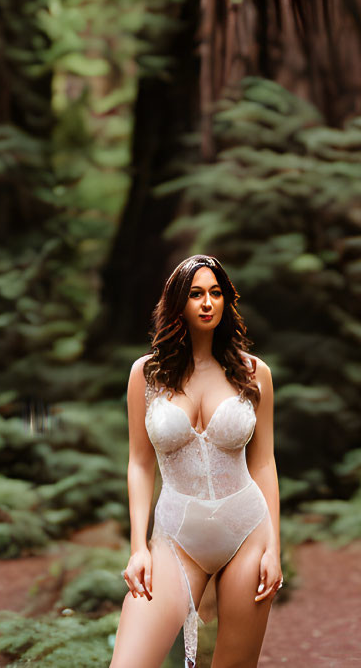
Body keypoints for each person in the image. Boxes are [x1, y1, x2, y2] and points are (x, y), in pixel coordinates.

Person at [110, 254, 283, 668]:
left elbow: (264, 464)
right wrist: (138, 548)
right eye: (196, 294)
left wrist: (274, 547)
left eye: (215, 293)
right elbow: (139, 463)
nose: (207, 303)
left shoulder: (254, 373)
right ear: (178, 303)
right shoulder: (147, 375)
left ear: (226, 301)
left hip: (247, 533)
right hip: (175, 537)